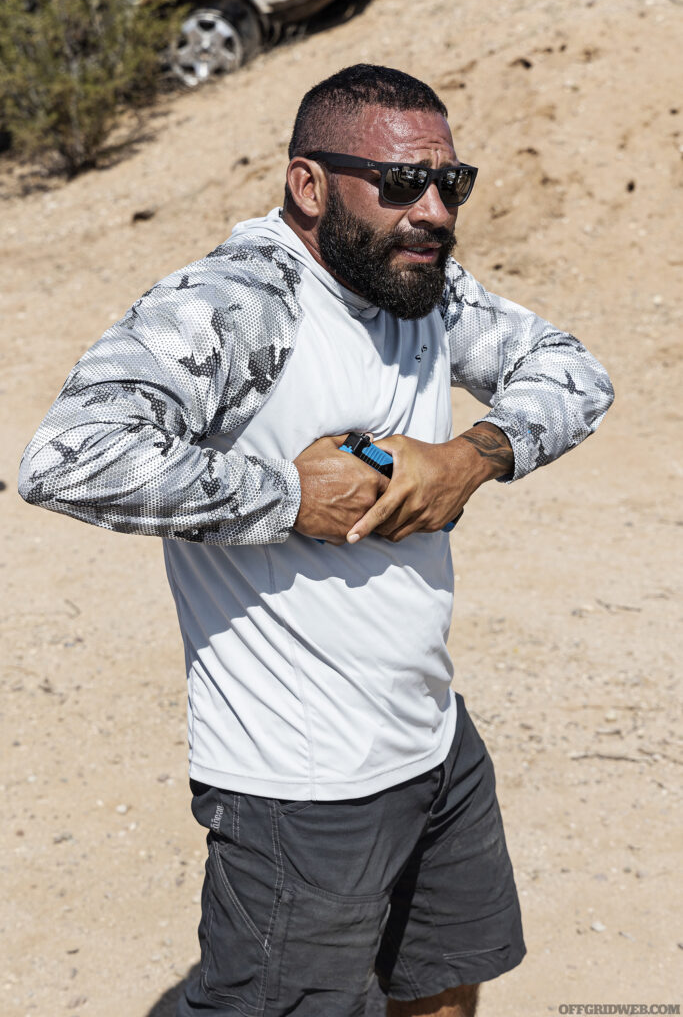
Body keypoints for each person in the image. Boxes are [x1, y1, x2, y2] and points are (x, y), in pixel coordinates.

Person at [19, 64, 614, 1017]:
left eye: (449, 183)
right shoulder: (241, 302)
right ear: (308, 185)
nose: (433, 209)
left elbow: (572, 369)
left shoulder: (420, 285)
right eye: (400, 184)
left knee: (440, 989)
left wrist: (470, 455)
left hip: (430, 737)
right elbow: (68, 456)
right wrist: (285, 496)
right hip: (300, 780)